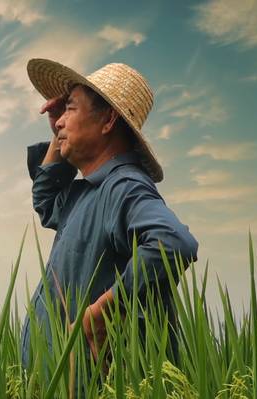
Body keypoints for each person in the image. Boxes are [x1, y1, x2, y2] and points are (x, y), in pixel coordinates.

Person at [19, 59, 199, 397]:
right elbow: (46, 203)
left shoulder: (124, 186)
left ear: (108, 120)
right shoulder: (89, 190)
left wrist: (103, 311)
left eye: (70, 108)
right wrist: (59, 131)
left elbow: (173, 243)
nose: (58, 120)